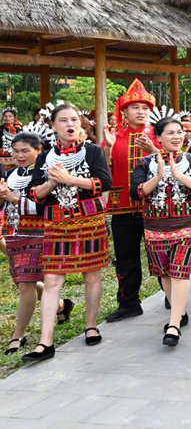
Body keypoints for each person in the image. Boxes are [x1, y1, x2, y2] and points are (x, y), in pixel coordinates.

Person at [24, 104, 112, 362]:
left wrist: (71, 180)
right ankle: (46, 342)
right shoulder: (45, 157)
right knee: (52, 279)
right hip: (56, 222)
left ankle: (91, 325)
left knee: (91, 275)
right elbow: (33, 193)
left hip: (88, 219)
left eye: (74, 119)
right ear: (53, 125)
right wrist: (52, 182)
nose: (70, 124)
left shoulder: (92, 151)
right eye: (63, 120)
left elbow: (104, 183)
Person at [131, 118, 191, 345]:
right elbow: (136, 192)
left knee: (179, 271)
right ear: (158, 137)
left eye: (179, 132)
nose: (177, 137)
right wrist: (157, 177)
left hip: (187, 224)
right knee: (164, 272)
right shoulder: (145, 163)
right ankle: (179, 312)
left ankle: (173, 325)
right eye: (170, 133)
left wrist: (178, 175)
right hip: (155, 226)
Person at [0, 129, 73, 355]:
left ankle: (18, 336)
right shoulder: (11, 174)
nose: (19, 155)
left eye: (25, 151)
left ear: (39, 150)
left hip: (41, 232)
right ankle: (61, 306)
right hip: (15, 233)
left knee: (30, 284)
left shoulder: (46, 173)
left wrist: (14, 198)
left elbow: (46, 206)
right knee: (23, 283)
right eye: (15, 151)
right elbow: (5, 205)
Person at [102, 79, 159, 323]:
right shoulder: (114, 137)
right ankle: (129, 303)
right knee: (126, 258)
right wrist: (109, 147)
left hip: (154, 206)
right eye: (135, 107)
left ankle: (172, 297)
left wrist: (153, 149)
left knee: (160, 254)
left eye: (145, 108)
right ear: (124, 111)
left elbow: (172, 164)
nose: (141, 112)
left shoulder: (157, 136)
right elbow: (103, 171)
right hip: (122, 207)